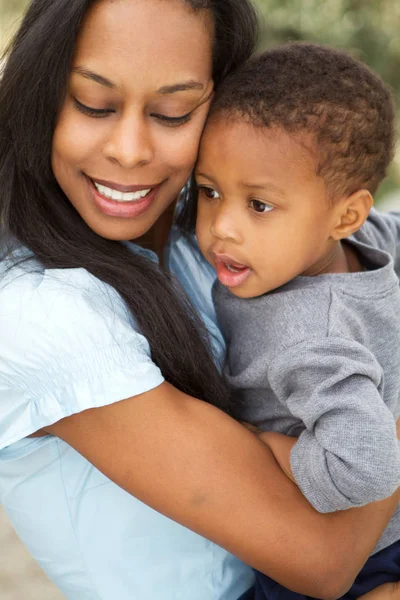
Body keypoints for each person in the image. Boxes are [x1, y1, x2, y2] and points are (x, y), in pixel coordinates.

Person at [0, 2, 398, 599]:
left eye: (172, 112)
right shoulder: (44, 313)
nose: (130, 151)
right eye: (93, 104)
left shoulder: (199, 234)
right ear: (40, 94)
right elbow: (322, 561)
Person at [191, 43, 400, 600]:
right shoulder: (368, 239)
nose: (221, 228)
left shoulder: (308, 338)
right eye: (209, 192)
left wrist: (259, 445)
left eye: (259, 205)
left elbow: (367, 472)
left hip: (357, 560)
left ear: (346, 214)